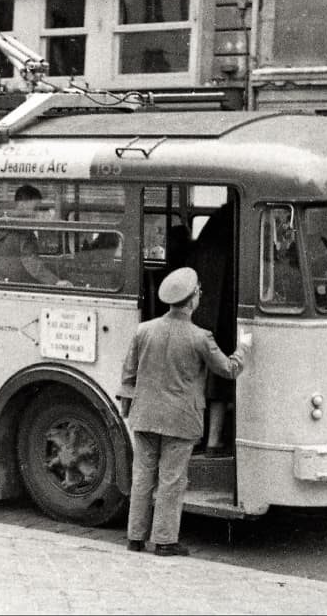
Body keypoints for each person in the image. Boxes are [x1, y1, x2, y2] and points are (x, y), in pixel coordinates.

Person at [118, 267, 251, 556]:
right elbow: (229, 370)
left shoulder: (144, 330)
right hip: (180, 420)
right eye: (199, 293)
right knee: (172, 480)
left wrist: (128, 406)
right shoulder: (201, 337)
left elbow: (128, 375)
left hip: (144, 416)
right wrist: (244, 349)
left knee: (142, 477)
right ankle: (165, 541)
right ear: (191, 300)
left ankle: (135, 538)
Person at [188, 204, 236, 459]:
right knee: (218, 379)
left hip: (201, 313)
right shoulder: (235, 225)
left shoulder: (212, 230)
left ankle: (198, 437)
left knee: (201, 378)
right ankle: (214, 442)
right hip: (223, 317)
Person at [0, 184, 71, 286]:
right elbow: (30, 262)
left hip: (1, 279)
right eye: (35, 209)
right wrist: (55, 282)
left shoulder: (2, 221)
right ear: (22, 204)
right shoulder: (22, 231)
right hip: (14, 283)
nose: (37, 213)